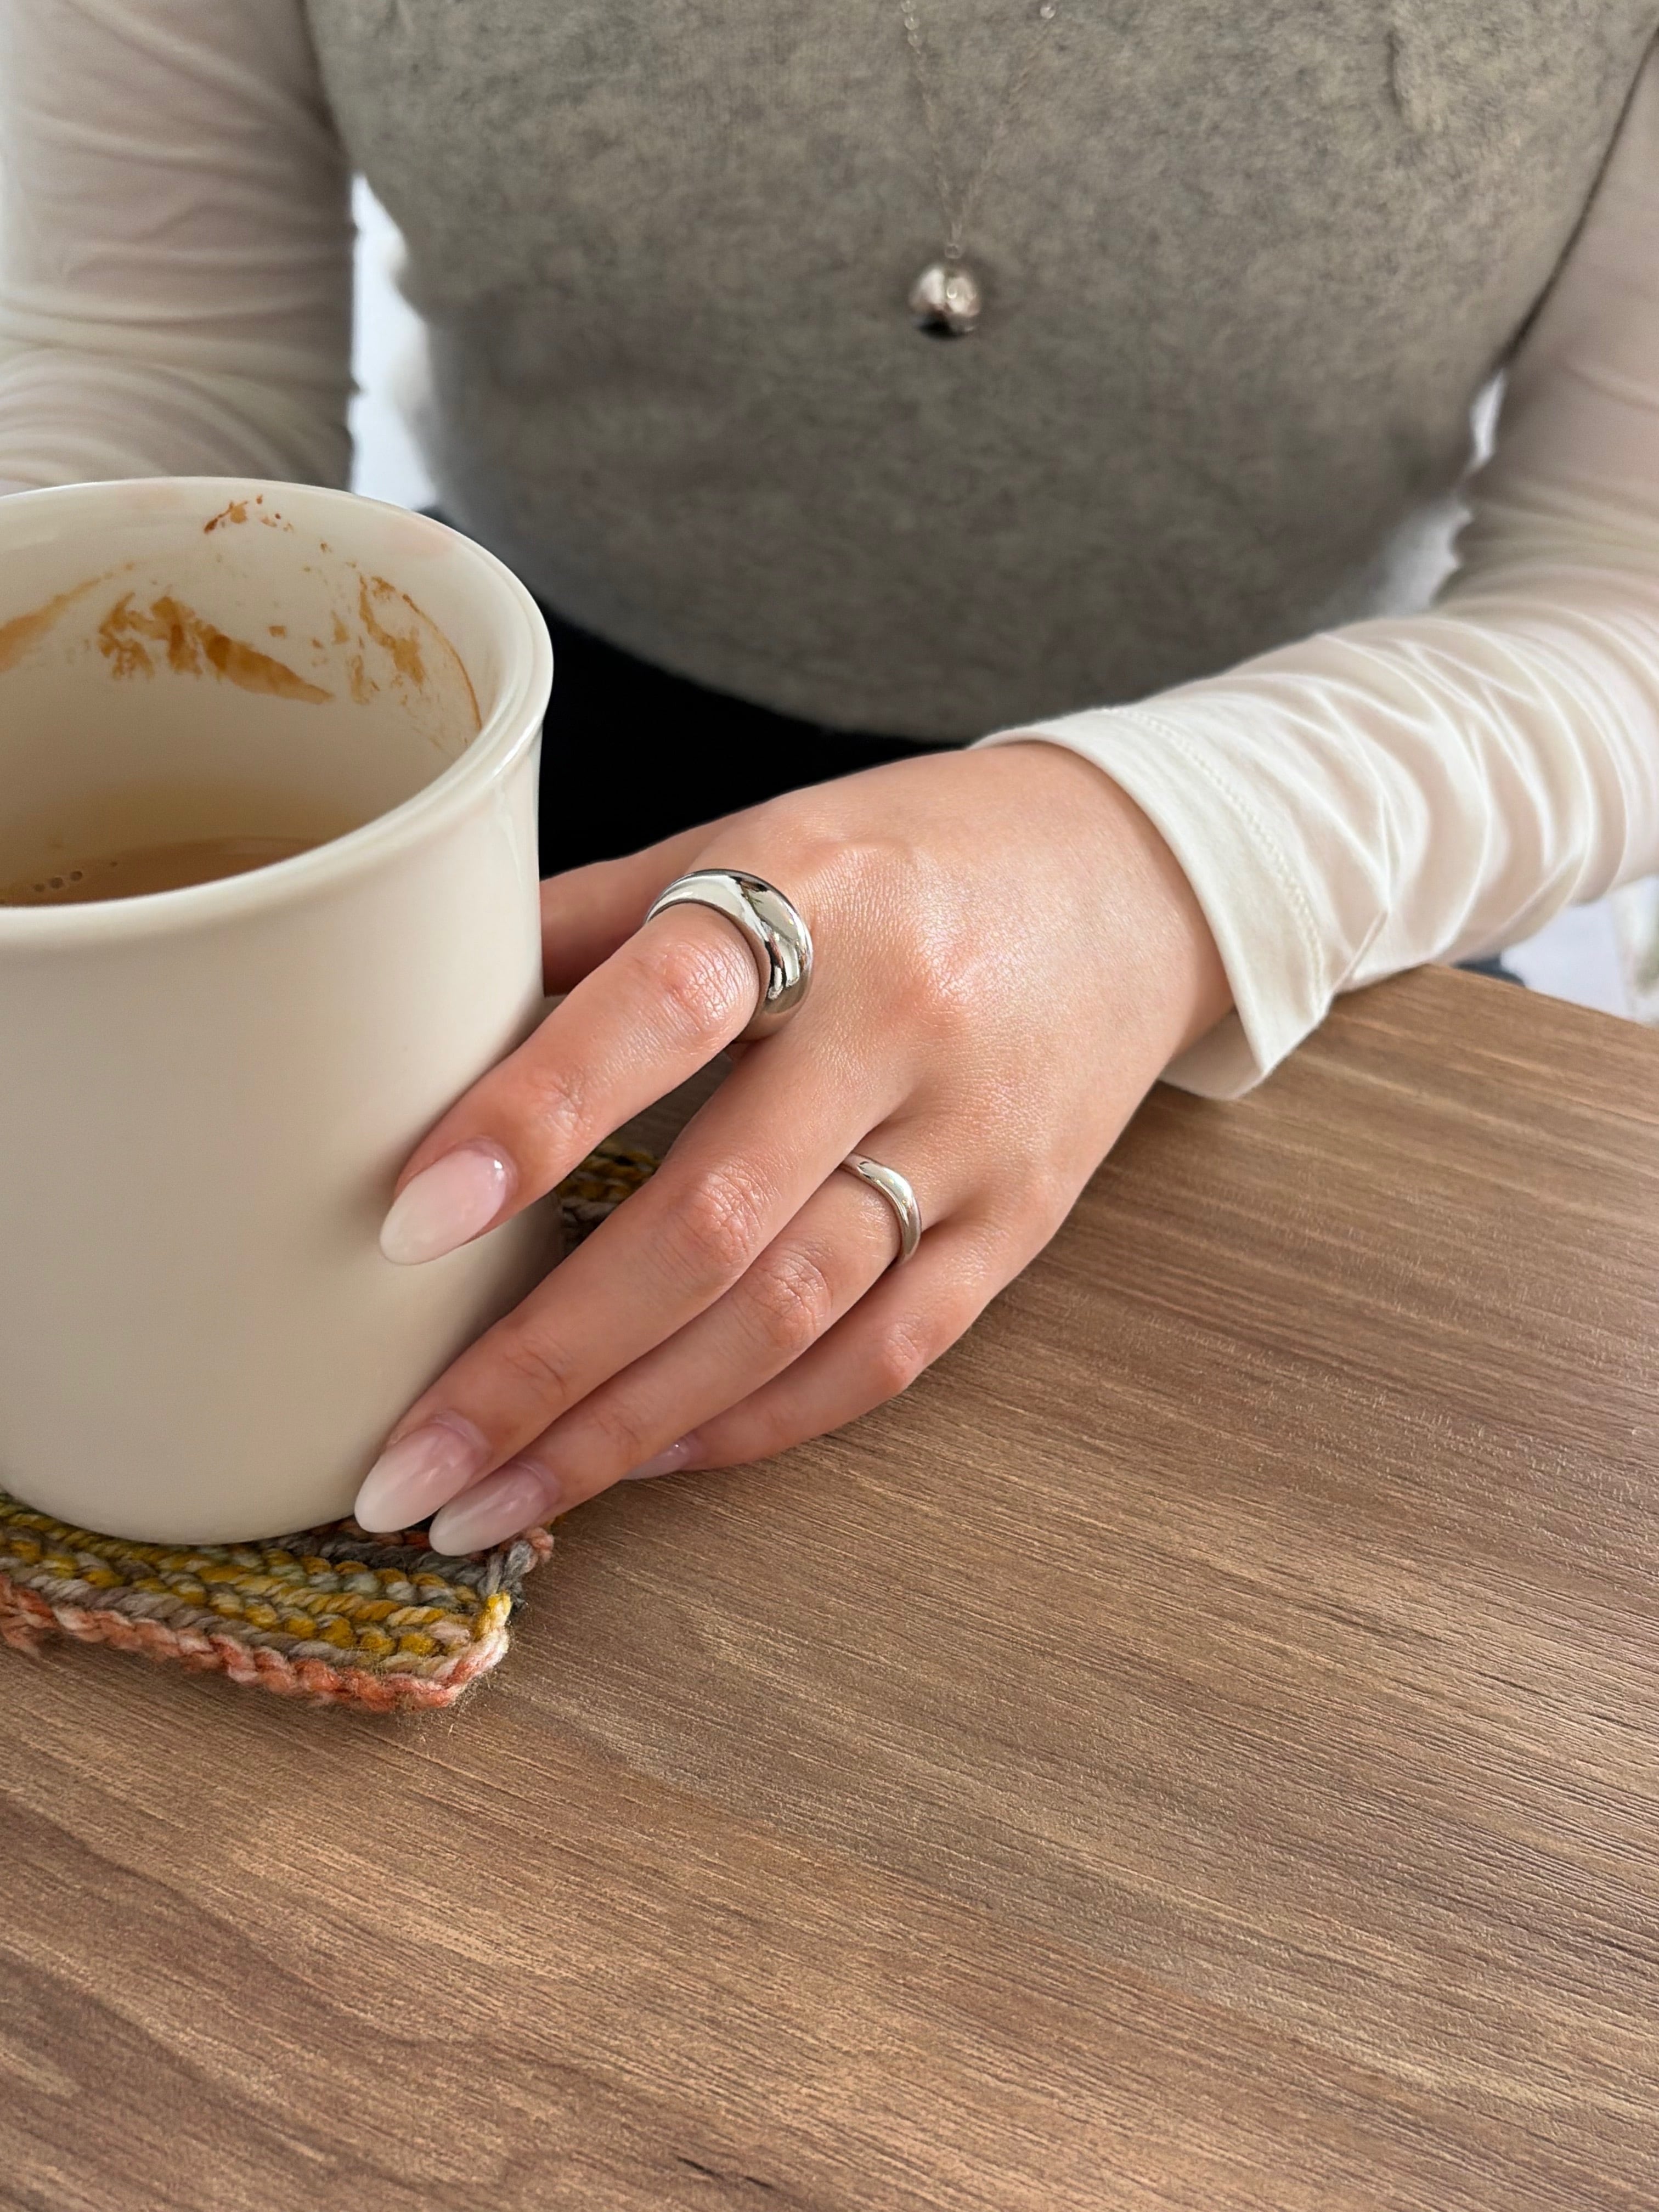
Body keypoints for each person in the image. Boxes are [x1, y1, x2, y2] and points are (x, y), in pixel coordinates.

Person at [2, 3, 1655, 1555]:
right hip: (499, 817)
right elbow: (144, 381)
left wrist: (1165, 857)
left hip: (1301, 856)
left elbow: (1624, 587)